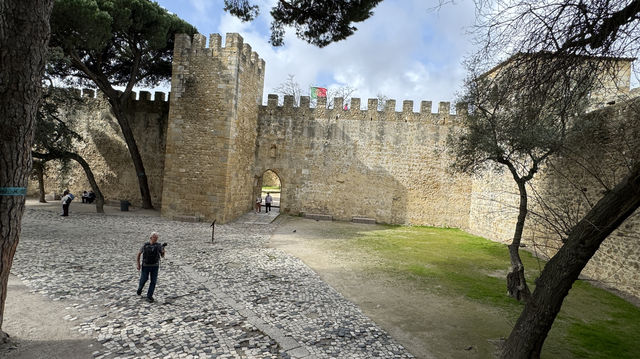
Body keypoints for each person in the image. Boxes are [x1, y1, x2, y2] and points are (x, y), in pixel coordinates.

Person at [136, 232, 165, 303]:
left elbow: (162, 255)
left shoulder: (158, 246)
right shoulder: (145, 245)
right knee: (144, 279)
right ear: (151, 237)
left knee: (153, 281)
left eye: (157, 237)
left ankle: (149, 296)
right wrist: (138, 264)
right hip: (146, 266)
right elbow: (139, 254)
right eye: (155, 237)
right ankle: (140, 288)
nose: (156, 239)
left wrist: (163, 249)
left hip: (155, 266)